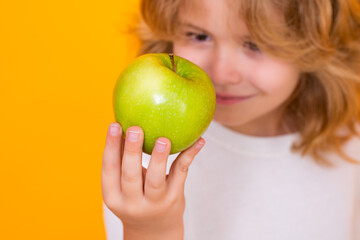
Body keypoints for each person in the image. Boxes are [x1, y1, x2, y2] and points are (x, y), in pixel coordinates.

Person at [101, 0, 360, 239]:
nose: (222, 74)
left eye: (256, 44)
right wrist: (150, 229)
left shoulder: (352, 150)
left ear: (313, 45)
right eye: (199, 36)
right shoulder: (153, 164)